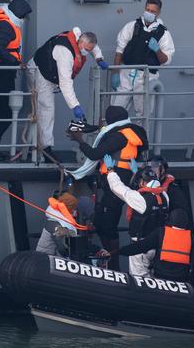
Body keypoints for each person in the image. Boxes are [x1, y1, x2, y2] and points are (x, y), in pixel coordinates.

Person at [67, 106, 148, 270]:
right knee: (103, 223)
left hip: (116, 181)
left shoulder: (118, 136)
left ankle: (113, 264)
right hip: (118, 179)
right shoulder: (129, 132)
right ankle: (109, 259)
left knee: (108, 225)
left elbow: (95, 154)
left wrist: (80, 140)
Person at [28, 28, 109, 162]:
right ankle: (46, 150)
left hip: (50, 73)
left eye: (89, 51)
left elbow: (93, 47)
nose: (87, 53)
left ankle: (39, 145)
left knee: (45, 111)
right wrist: (75, 106)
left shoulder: (81, 40)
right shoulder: (64, 52)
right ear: (81, 43)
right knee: (47, 110)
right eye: (87, 50)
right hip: (40, 73)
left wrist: (99, 59)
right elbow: (65, 83)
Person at [0, 0, 32, 161]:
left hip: (0, 72)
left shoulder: (4, 21)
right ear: (19, 14)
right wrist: (17, 62)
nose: (24, 20)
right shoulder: (5, 25)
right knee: (3, 111)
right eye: (24, 16)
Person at [110, 0, 175, 118]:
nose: (149, 13)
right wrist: (115, 72)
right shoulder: (132, 26)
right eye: (147, 9)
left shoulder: (164, 34)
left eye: (153, 11)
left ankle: (141, 136)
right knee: (115, 111)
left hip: (147, 77)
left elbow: (166, 60)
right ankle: (113, 136)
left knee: (143, 115)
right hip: (126, 73)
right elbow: (120, 50)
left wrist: (157, 50)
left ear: (158, 13)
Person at [103, 162, 169, 276]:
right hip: (158, 247)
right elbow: (145, 192)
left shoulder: (141, 200)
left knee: (140, 280)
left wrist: (110, 171)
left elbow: (119, 189)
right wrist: (136, 173)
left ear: (143, 182)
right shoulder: (164, 196)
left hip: (140, 249)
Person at [112, 209, 194, 283]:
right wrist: (192, 281)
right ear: (186, 223)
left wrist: (117, 252)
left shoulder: (161, 232)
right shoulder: (190, 238)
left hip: (160, 278)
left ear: (170, 220)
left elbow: (139, 247)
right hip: (181, 280)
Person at [148, 155, 192, 228]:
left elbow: (181, 211)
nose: (151, 170)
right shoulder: (147, 185)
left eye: (154, 167)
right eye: (150, 167)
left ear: (162, 169)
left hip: (165, 226)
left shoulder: (172, 188)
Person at [36, 191, 81, 257]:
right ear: (66, 209)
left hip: (50, 258)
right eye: (73, 209)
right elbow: (61, 247)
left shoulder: (57, 221)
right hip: (45, 261)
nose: (75, 212)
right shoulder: (54, 223)